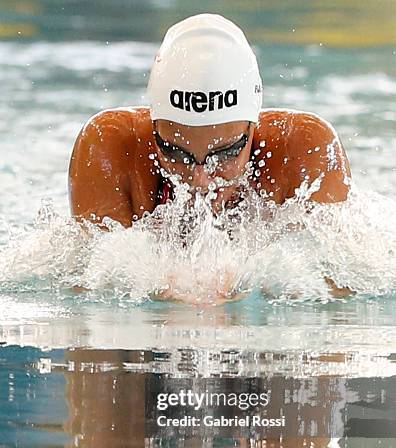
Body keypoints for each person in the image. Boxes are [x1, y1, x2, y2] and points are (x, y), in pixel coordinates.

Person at [69, 13, 353, 297]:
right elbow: (92, 298)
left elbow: (336, 296)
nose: (200, 179)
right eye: (175, 152)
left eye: (226, 153)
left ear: (254, 127)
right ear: (153, 126)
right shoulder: (111, 147)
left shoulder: (306, 152)